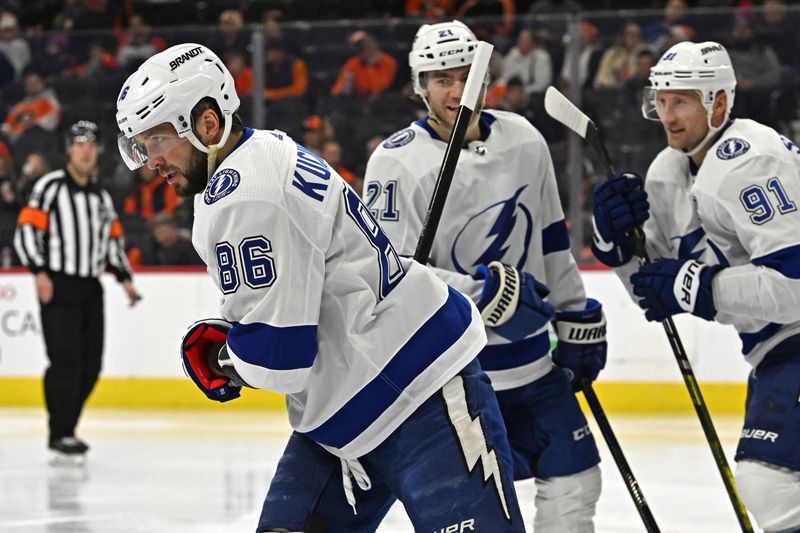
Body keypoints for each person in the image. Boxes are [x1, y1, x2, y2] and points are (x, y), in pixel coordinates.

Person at [115, 43, 530, 532]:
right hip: (342, 415)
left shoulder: (245, 194)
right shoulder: (262, 150)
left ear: (208, 124)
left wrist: (223, 360)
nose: (150, 161)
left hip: (421, 394)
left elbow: (280, 357)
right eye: (142, 145)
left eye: (159, 140)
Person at [364, 21, 606, 532]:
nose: (455, 91)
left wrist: (574, 312)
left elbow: (551, 239)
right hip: (455, 377)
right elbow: (387, 278)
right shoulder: (395, 162)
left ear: (485, 78)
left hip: (535, 366)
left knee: (577, 484)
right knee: (477, 516)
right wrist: (480, 294)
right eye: (441, 79)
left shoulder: (524, 139)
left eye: (464, 77)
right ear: (420, 86)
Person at [591, 41, 800, 533]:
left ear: (719, 104)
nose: (667, 116)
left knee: (770, 481)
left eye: (681, 101)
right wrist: (616, 245)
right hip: (776, 352)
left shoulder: (751, 157)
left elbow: (795, 282)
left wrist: (702, 288)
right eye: (660, 101)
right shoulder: (668, 171)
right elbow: (654, 292)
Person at [14, 120, 141, 464]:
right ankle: (61, 433)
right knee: (65, 361)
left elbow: (112, 241)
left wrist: (124, 277)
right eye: (78, 144)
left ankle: (67, 427)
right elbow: (27, 231)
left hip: (90, 288)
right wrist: (39, 272)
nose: (84, 150)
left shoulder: (101, 196)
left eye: (90, 144)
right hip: (58, 283)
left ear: (97, 151)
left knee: (91, 365)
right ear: (69, 149)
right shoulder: (50, 186)